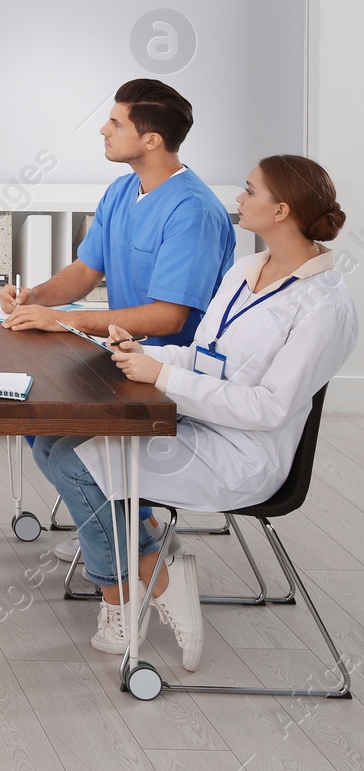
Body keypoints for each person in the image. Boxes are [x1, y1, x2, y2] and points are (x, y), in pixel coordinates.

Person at [33, 155, 357, 672]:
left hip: (242, 455)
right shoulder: (248, 270)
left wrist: (163, 378)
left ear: (281, 209)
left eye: (250, 191)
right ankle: (155, 565)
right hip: (195, 420)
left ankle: (130, 597)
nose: (238, 198)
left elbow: (270, 408)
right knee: (54, 441)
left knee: (75, 461)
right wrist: (146, 353)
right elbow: (207, 357)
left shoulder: (323, 307)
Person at [1, 79, 236, 561]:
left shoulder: (192, 211)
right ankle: (119, 524)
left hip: (169, 371)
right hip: (120, 358)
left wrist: (63, 323)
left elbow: (169, 318)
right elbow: (87, 270)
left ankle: (134, 540)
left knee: (56, 431)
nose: (103, 130)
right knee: (31, 413)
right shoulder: (122, 189)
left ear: (151, 140)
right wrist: (35, 297)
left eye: (116, 122)